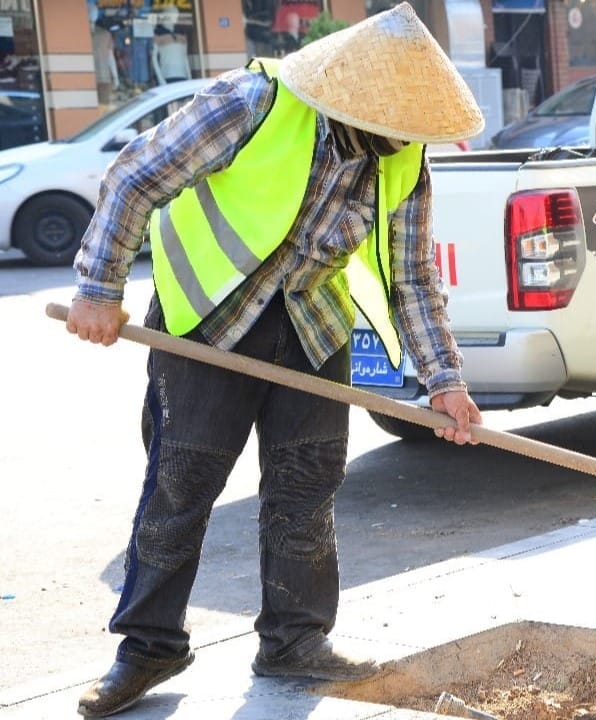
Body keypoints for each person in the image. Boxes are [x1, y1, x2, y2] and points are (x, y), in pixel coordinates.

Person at [64, 4, 485, 717]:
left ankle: (294, 642)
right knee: (181, 486)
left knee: (306, 488)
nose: (412, 142)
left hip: (312, 326)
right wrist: (99, 287)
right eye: (403, 129)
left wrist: (445, 379)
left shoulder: (406, 158)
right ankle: (148, 646)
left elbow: (413, 276)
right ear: (359, 103)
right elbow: (136, 175)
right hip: (208, 322)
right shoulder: (253, 104)